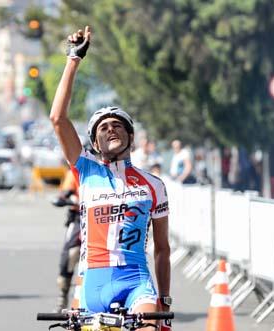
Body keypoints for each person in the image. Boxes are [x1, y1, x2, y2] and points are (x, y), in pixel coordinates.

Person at [48, 26, 171, 330]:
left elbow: (162, 248)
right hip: (93, 282)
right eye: (103, 129)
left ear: (130, 136)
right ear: (95, 143)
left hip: (136, 281)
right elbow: (58, 120)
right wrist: (73, 60)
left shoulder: (153, 185)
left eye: (117, 125)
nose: (110, 129)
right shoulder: (86, 170)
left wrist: (164, 302)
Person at [51, 168, 81, 312]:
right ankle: (62, 296)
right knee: (70, 254)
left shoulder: (109, 170)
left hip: (105, 219)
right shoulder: (76, 171)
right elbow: (65, 193)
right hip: (80, 218)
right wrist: (66, 198)